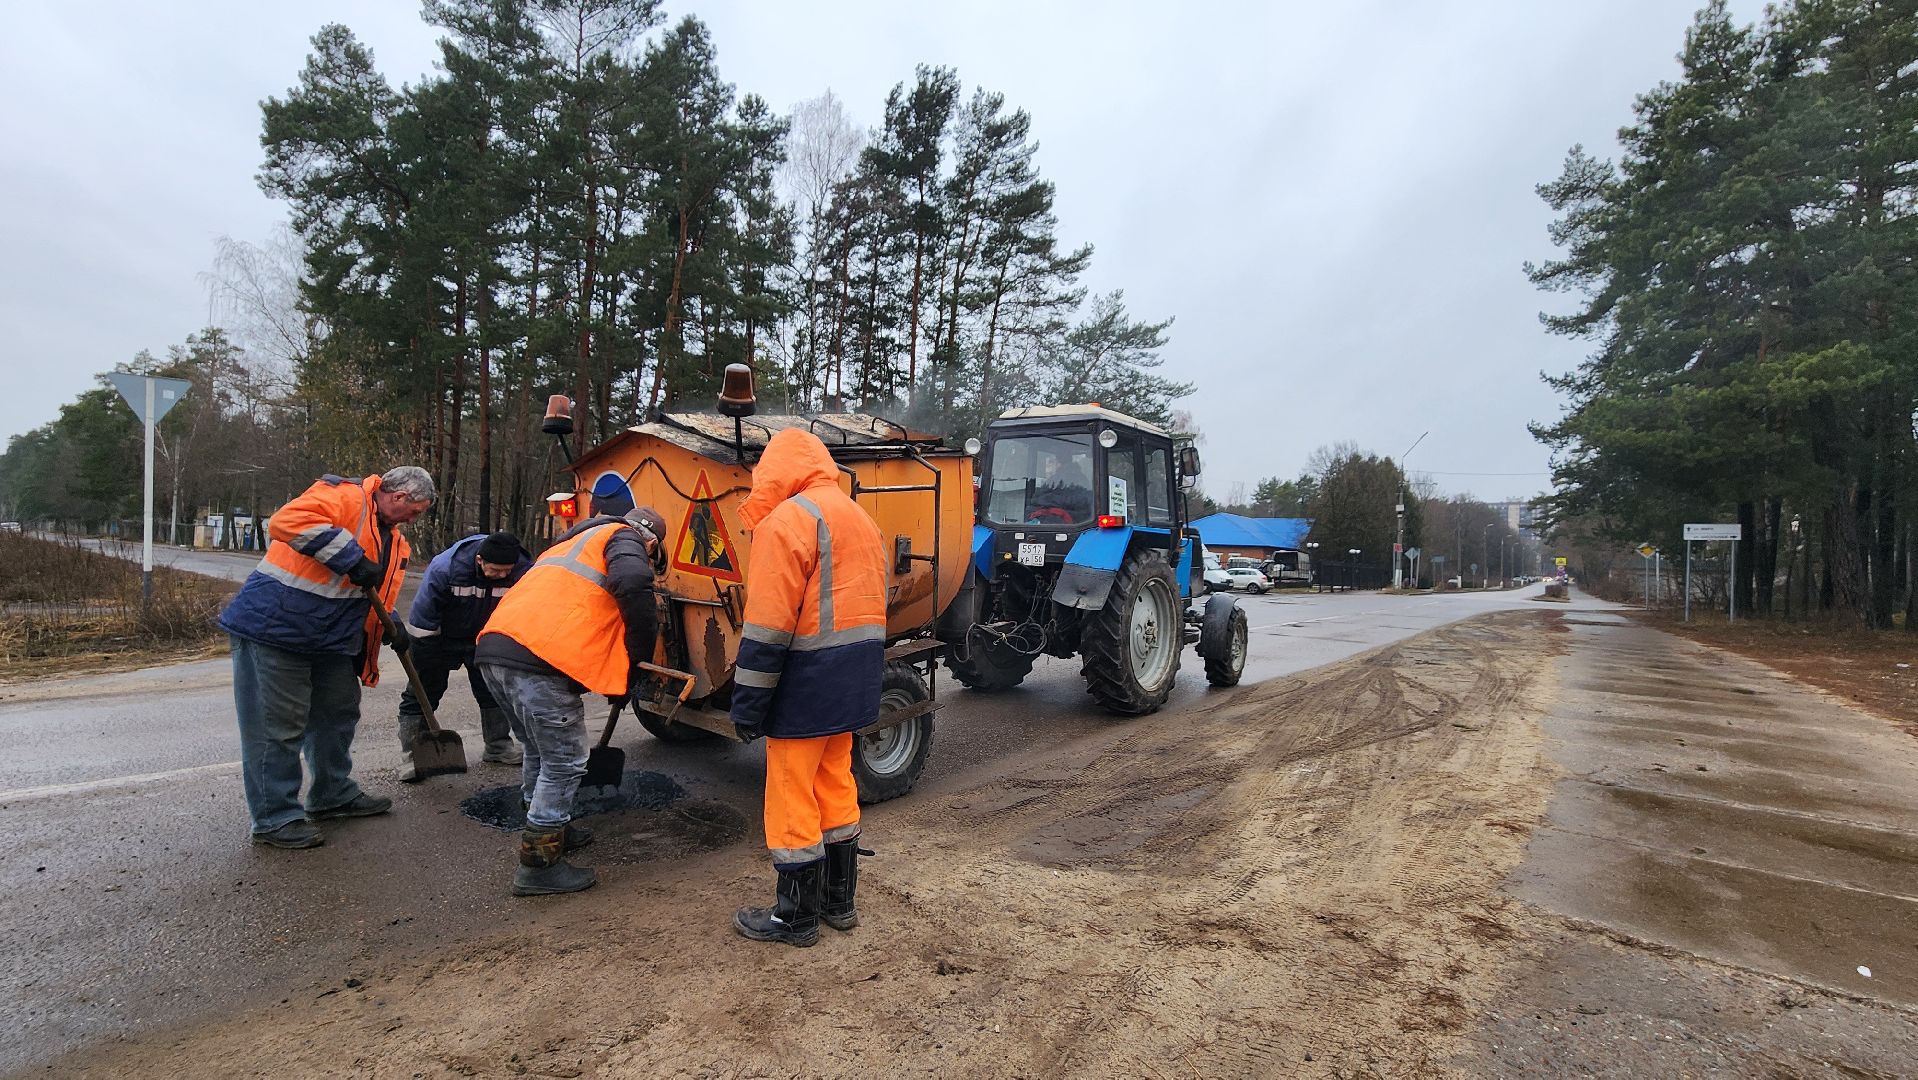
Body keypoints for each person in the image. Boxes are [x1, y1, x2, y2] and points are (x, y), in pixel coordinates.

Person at [219, 466, 436, 849]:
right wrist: (349, 556)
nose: (414, 519)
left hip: (328, 639)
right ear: (399, 496)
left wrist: (392, 623)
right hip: (275, 628)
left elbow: (368, 593)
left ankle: (332, 794)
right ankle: (274, 817)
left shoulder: (394, 541)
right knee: (277, 728)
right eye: (415, 511)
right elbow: (287, 520)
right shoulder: (346, 497)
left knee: (337, 713)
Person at [730, 428, 888, 948]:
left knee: (790, 791)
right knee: (834, 781)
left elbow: (768, 627)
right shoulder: (858, 517)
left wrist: (748, 704)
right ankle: (839, 902)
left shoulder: (787, 521)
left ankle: (794, 916)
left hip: (806, 681)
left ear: (774, 474)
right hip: (856, 679)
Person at [474, 497, 666, 897]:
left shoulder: (571, 542)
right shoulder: (624, 536)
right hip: (536, 661)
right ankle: (539, 865)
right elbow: (632, 583)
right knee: (565, 762)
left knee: (538, 751)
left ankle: (550, 828)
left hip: (496, 650)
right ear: (650, 542)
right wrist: (640, 654)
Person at [395, 531, 533, 779]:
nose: (502, 576)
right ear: (479, 560)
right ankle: (413, 755)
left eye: (506, 571)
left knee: (493, 690)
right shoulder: (445, 569)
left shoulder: (524, 571)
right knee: (422, 692)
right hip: (440, 636)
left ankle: (498, 746)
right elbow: (423, 619)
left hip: (485, 636)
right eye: (495, 570)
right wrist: (426, 660)